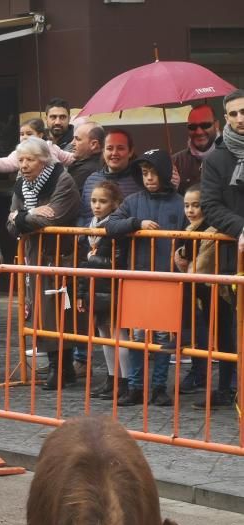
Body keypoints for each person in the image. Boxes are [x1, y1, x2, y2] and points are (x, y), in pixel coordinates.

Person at [106, 148, 186, 407]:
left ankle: (159, 386)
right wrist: (136, 224)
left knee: (164, 338)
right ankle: (136, 386)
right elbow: (110, 226)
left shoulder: (179, 202)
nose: (149, 178)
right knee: (138, 336)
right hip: (138, 277)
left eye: (153, 173)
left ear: (164, 173)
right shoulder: (133, 201)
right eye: (144, 173)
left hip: (168, 279)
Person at [6, 137, 82, 390]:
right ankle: (57, 365)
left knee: (59, 311)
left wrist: (22, 216)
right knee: (39, 310)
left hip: (61, 255)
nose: (24, 165)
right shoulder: (21, 185)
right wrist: (32, 214)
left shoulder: (63, 180)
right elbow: (9, 224)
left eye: (30, 160)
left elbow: (55, 218)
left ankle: (62, 366)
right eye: (21, 160)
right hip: (34, 255)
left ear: (43, 160)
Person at [199, 88, 244, 409]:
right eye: (234, 114)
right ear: (225, 118)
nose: (241, 119)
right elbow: (211, 206)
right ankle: (230, 387)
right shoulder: (216, 158)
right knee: (230, 326)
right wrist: (241, 228)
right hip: (232, 255)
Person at [75, 180, 129, 400]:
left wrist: (92, 260)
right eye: (94, 200)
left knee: (119, 334)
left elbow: (117, 260)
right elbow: (82, 263)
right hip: (94, 287)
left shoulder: (116, 228)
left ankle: (126, 381)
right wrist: (80, 293)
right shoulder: (90, 226)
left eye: (103, 201)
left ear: (115, 204)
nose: (97, 205)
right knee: (103, 334)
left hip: (112, 288)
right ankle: (111, 377)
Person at [173, 183, 218, 396]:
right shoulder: (189, 229)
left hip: (210, 289)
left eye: (196, 206)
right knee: (201, 332)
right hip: (196, 290)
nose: (190, 210)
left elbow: (196, 266)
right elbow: (182, 259)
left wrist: (183, 258)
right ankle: (199, 372)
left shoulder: (210, 230)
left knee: (211, 333)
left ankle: (208, 375)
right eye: (187, 206)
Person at [79, 128, 141, 226]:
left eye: (120, 148)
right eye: (109, 148)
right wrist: (83, 237)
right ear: (103, 151)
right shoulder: (91, 180)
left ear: (130, 151)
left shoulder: (140, 181)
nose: (114, 153)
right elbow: (83, 215)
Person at [0, 118, 75, 174]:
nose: (24, 137)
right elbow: (9, 162)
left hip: (56, 182)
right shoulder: (20, 152)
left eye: (29, 134)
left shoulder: (50, 147)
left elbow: (67, 158)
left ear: (40, 135)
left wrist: (78, 156)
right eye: (22, 134)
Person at [173, 104, 220, 194]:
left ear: (216, 125)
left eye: (205, 125)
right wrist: (171, 190)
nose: (199, 132)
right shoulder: (175, 162)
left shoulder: (232, 157)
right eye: (193, 127)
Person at [67, 121, 104, 193]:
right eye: (73, 138)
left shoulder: (86, 171)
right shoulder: (99, 163)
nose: (72, 143)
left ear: (93, 144)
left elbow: (64, 198)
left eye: (77, 139)